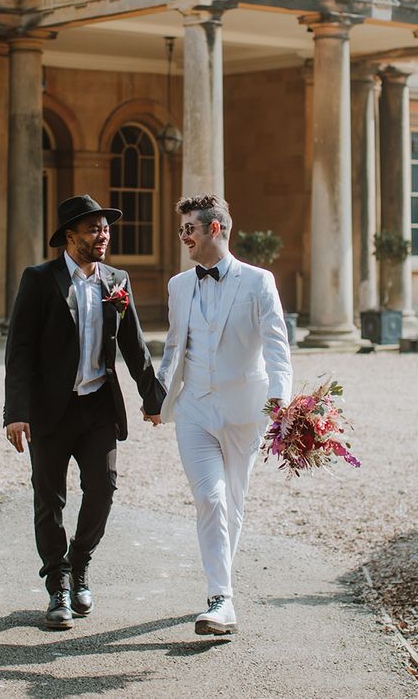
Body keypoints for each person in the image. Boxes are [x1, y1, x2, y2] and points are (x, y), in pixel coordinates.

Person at [4, 194, 164, 630]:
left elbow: (134, 344)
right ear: (70, 237)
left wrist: (153, 399)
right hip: (49, 410)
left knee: (103, 488)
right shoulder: (39, 280)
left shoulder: (117, 281)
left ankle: (79, 564)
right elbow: (18, 350)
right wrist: (15, 411)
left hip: (97, 406)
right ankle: (56, 583)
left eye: (106, 228)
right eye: (94, 228)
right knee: (49, 499)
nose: (103, 235)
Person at [155, 194, 292, 635]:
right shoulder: (178, 285)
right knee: (210, 498)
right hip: (194, 407)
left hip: (243, 411)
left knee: (233, 501)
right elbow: (174, 348)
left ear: (215, 228)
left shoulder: (258, 281)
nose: (183, 238)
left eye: (189, 229)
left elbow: (276, 345)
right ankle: (221, 599)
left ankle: (221, 586)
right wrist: (156, 396)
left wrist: (280, 400)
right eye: (182, 231)